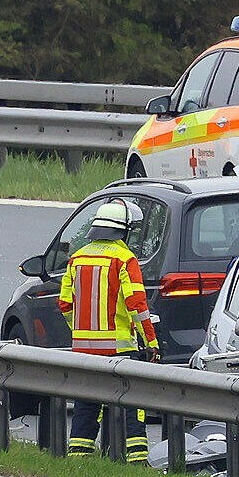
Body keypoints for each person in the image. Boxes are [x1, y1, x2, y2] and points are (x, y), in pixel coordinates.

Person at [58, 198, 158, 462]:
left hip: (83, 350)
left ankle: (79, 459)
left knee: (86, 405)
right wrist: (151, 340)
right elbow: (137, 306)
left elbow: (65, 304)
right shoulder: (125, 259)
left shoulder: (76, 259)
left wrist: (80, 330)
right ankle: (137, 460)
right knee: (131, 404)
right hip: (120, 348)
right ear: (123, 230)